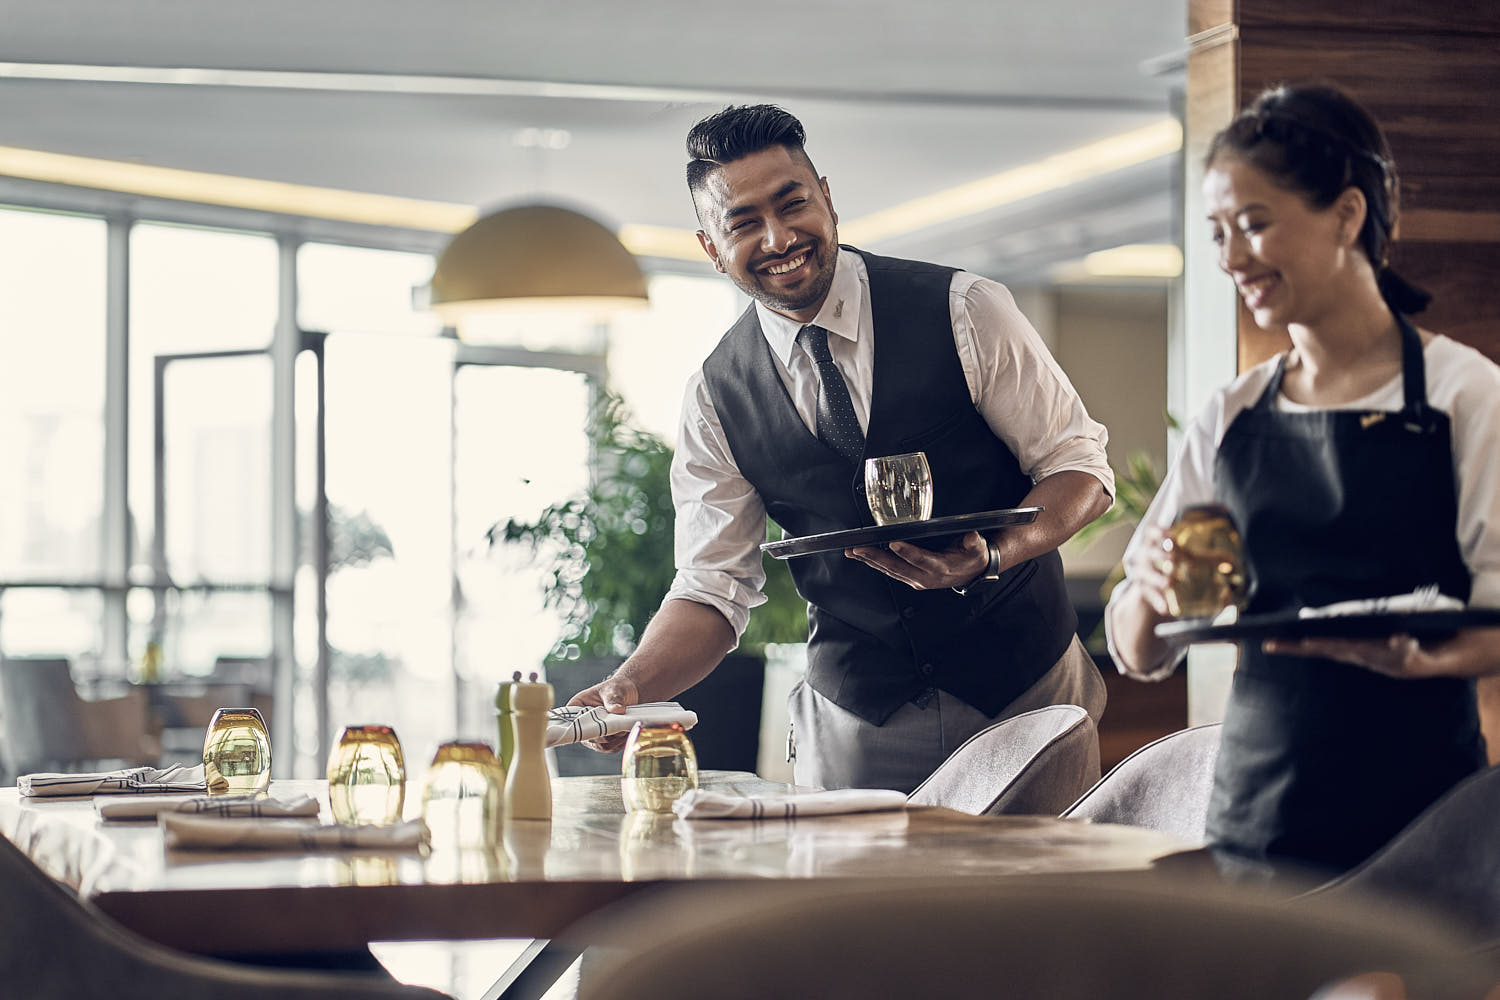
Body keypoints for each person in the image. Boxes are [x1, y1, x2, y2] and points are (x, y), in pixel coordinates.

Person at [569, 104, 1114, 794]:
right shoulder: (715, 395)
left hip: (1025, 686)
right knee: (849, 904)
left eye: (792, 203)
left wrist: (996, 552)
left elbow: (1080, 471)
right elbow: (713, 587)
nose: (778, 237)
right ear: (711, 247)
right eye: (742, 223)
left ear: (826, 196)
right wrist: (629, 685)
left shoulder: (966, 309)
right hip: (858, 714)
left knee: (1044, 903)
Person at [1107, 83, 1500, 876]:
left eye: (1254, 225)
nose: (1231, 258)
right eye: (1218, 233)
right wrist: (1148, 587)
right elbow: (1137, 650)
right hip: (1258, 816)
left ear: (1348, 215)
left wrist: (1427, 661)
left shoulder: (1468, 394)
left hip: (1426, 823)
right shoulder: (1232, 413)